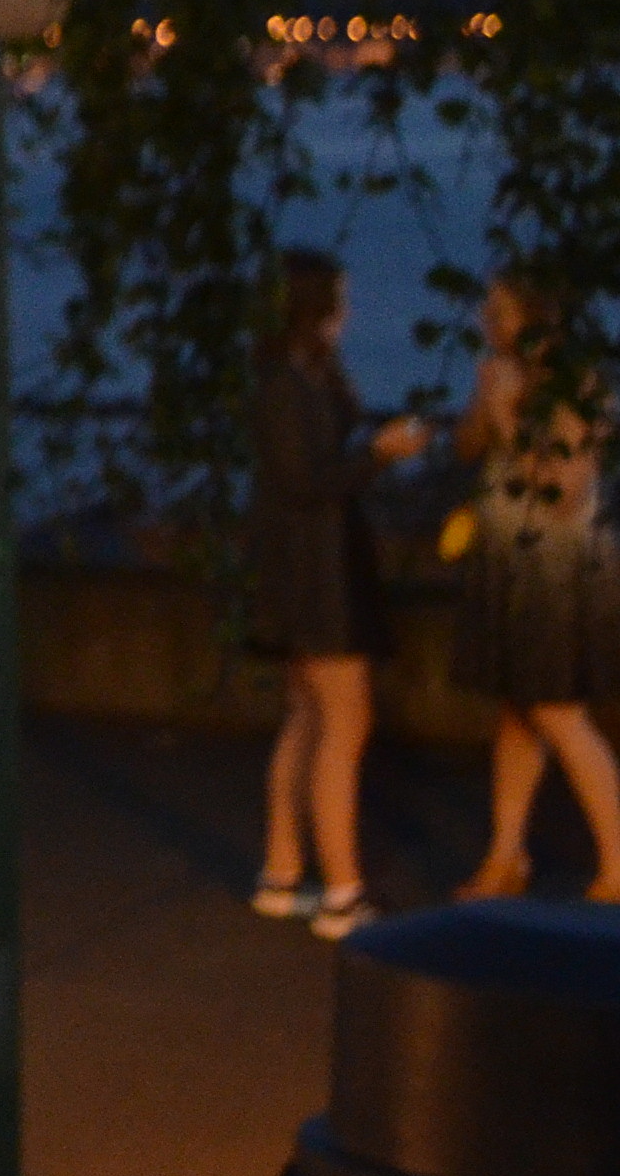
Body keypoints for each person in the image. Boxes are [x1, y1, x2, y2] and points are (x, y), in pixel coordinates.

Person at [251, 250, 434, 939]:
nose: (348, 313)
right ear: (315, 307)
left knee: (305, 717)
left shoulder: (300, 376)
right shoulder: (282, 385)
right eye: (339, 300)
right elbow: (307, 483)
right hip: (316, 574)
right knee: (343, 724)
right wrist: (379, 454)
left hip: (309, 568)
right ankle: (342, 891)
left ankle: (282, 873)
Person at [450, 273, 620, 901]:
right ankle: (505, 857)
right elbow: (467, 448)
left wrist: (505, 416)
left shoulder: (575, 385)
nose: (486, 321)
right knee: (517, 713)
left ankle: (618, 863)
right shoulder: (501, 374)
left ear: (535, 315)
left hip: (556, 568)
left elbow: (562, 487)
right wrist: (484, 404)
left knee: (558, 712)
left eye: (500, 311)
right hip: (509, 562)